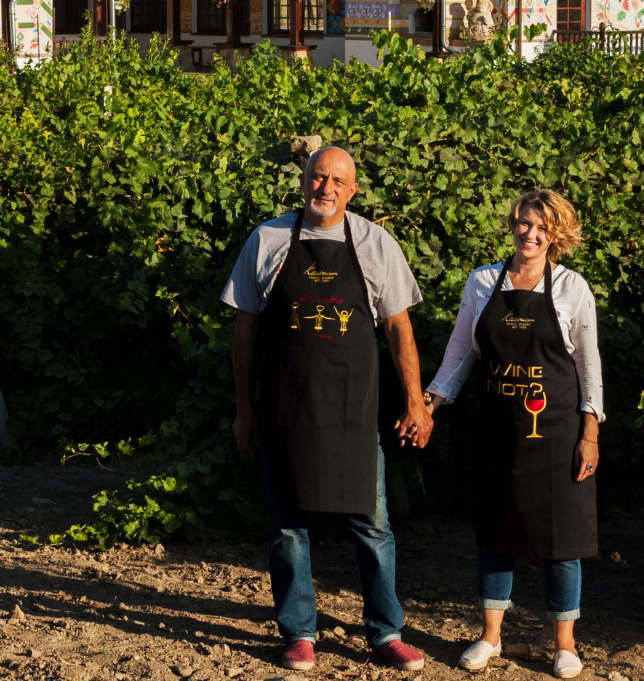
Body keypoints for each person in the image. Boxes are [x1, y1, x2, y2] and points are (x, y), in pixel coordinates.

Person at [223, 145, 432, 674]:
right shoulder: (268, 239)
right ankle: (298, 632)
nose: (327, 189)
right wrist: (244, 409)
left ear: (353, 190)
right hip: (287, 408)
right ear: (304, 181)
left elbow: (399, 328)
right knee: (288, 525)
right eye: (319, 178)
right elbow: (245, 330)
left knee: (373, 523)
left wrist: (415, 402)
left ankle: (386, 632)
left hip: (355, 413)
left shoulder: (374, 242)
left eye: (338, 181)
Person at [426, 189, 603, 679]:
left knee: (561, 541)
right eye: (525, 223)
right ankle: (490, 636)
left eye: (542, 227)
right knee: (496, 535)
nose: (531, 233)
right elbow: (461, 354)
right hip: (498, 429)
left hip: (557, 432)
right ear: (513, 224)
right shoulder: (483, 282)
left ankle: (565, 645)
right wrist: (432, 401)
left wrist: (590, 432)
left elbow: (589, 367)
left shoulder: (572, 288)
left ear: (557, 234)